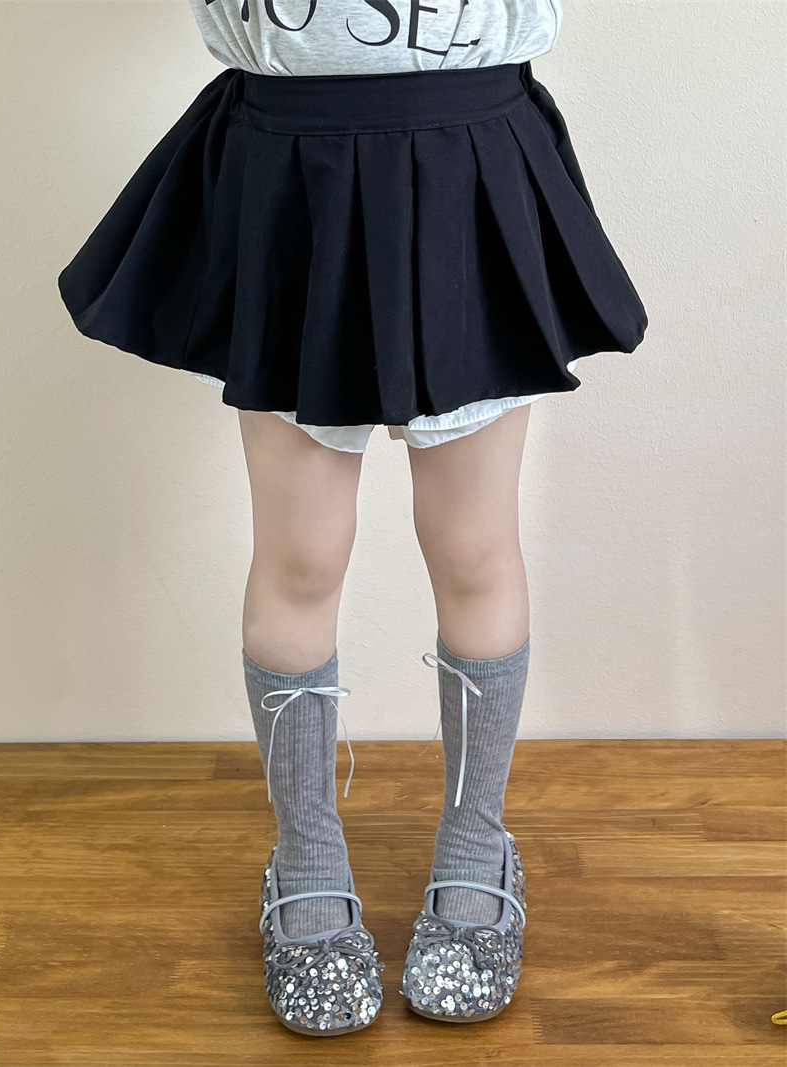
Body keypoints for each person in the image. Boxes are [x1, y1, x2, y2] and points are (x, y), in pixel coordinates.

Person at [57, 0, 648, 1037]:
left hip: (470, 157)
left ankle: (476, 844)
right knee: (301, 555)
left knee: (472, 547)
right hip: (291, 169)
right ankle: (305, 855)